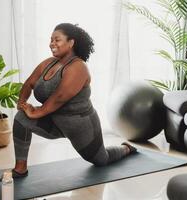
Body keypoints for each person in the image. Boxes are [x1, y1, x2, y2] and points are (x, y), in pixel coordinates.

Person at [11, 23, 137, 178]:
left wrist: (36, 112)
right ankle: (20, 168)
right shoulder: (47, 63)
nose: (52, 43)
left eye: (57, 40)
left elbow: (59, 98)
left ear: (71, 43)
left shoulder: (78, 67)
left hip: (80, 125)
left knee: (101, 160)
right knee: (21, 118)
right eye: (51, 39)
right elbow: (29, 83)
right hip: (55, 122)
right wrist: (22, 103)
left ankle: (126, 149)